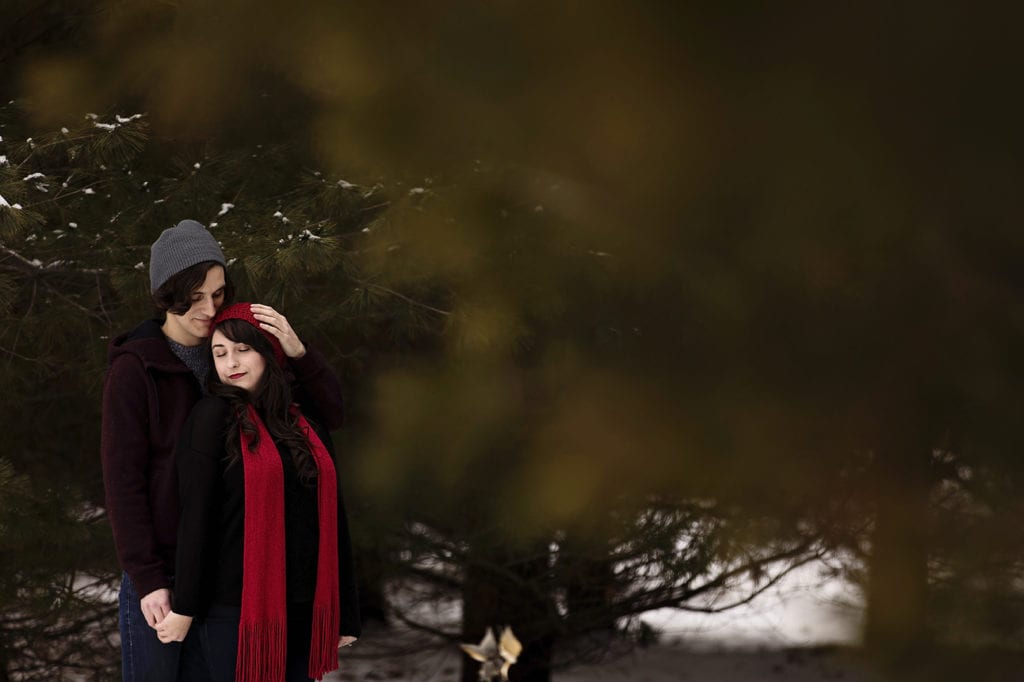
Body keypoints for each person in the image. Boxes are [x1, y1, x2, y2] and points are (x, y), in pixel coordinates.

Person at [101, 220, 346, 682]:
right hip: (162, 572)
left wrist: (297, 352)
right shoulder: (137, 371)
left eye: (216, 293)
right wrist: (148, 578)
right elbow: (123, 483)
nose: (208, 307)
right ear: (166, 295)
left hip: (227, 575)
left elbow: (326, 415)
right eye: (194, 297)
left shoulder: (239, 352)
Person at [154, 303, 360, 682]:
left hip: (303, 608)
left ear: (268, 352)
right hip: (235, 611)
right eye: (219, 353)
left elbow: (332, 518)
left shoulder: (302, 420)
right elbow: (197, 516)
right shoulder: (211, 416)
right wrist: (185, 606)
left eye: (242, 349)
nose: (230, 361)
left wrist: (344, 614)